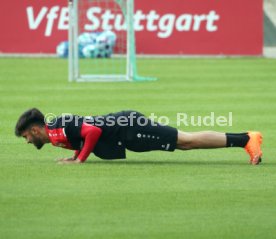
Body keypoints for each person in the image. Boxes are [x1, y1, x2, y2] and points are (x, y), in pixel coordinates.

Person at [15, 108, 263, 165]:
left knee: (186, 141)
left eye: (27, 136)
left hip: (130, 127)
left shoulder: (57, 129)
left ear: (35, 130)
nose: (28, 141)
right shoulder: (56, 130)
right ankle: (244, 139)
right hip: (127, 129)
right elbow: (81, 135)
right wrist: (76, 155)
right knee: (185, 144)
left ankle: (246, 139)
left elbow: (92, 131)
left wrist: (80, 160)